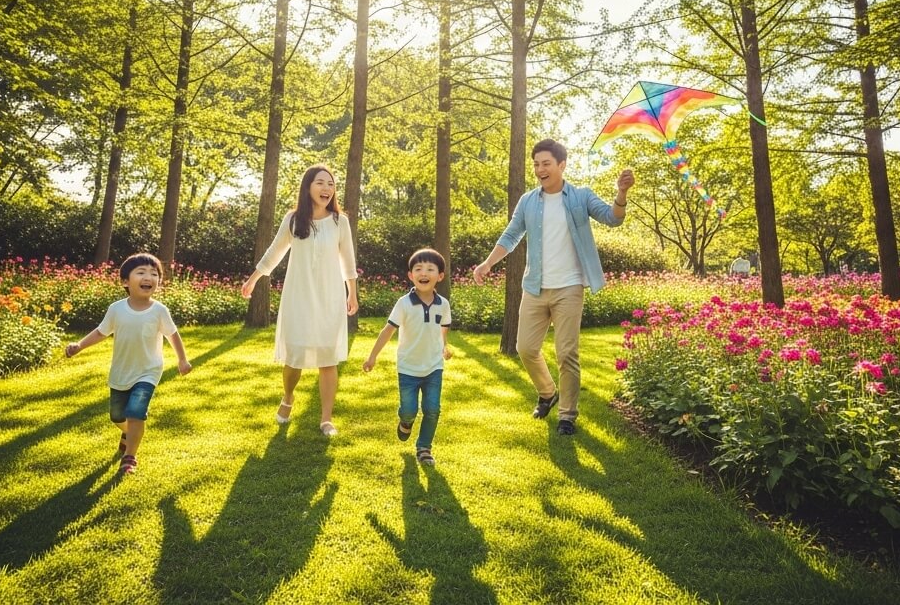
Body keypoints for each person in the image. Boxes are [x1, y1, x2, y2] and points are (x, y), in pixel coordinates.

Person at [472, 139, 633, 436]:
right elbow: (510, 236)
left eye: (545, 163)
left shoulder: (580, 197)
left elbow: (613, 219)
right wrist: (487, 263)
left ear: (561, 165)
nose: (539, 169)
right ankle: (547, 392)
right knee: (525, 348)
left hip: (569, 287)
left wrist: (621, 193)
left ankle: (567, 416)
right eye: (536, 164)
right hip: (535, 286)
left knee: (566, 352)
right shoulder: (528, 201)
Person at [241, 165, 359, 437]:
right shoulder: (294, 219)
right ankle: (288, 397)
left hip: (330, 297)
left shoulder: (340, 222)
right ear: (308, 187)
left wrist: (352, 291)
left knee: (328, 359)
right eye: (320, 183)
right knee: (294, 357)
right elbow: (275, 252)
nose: (326, 189)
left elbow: (348, 259)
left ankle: (326, 419)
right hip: (299, 296)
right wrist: (253, 278)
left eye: (330, 184)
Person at [65, 252, 192, 475]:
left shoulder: (159, 311)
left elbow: (173, 335)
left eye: (154, 274)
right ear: (125, 281)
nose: (149, 277)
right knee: (117, 416)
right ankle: (128, 433)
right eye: (141, 272)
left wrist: (182, 359)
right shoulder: (116, 309)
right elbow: (101, 332)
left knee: (136, 412)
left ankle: (129, 456)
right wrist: (79, 346)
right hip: (121, 371)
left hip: (148, 371)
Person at [363, 248, 453, 466]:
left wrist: (445, 346)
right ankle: (405, 422)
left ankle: (424, 448)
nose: (424, 272)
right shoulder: (404, 303)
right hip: (408, 368)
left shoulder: (443, 304)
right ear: (411, 275)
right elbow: (388, 330)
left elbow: (443, 328)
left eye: (430, 269)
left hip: (434, 367)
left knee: (432, 409)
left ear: (440, 276)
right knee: (409, 410)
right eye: (418, 268)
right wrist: (372, 356)